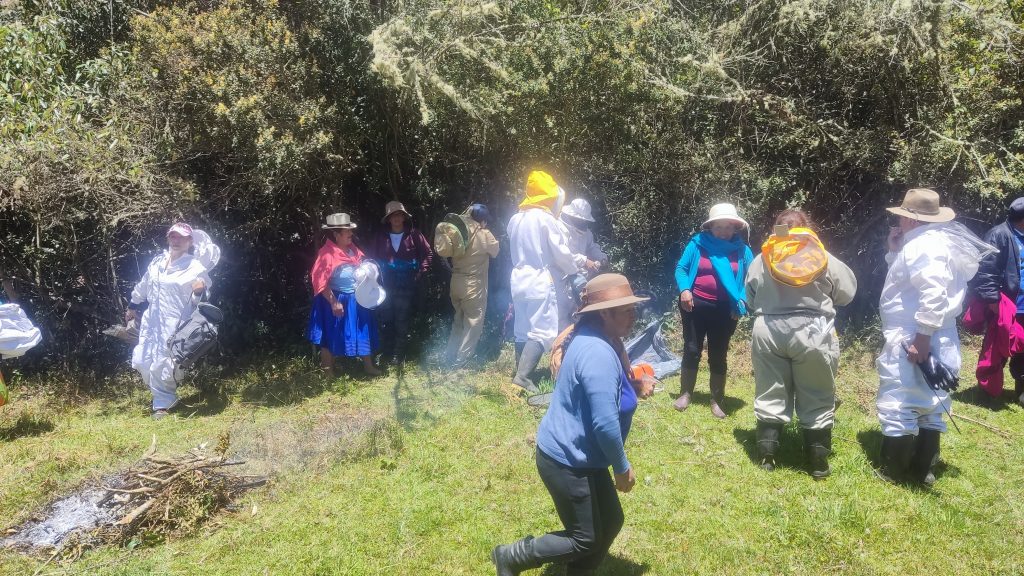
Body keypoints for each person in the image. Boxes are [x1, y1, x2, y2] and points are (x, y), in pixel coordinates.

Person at [491, 274, 652, 576]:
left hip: (582, 455)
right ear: (604, 313)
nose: (634, 315)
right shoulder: (597, 353)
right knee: (584, 538)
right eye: (626, 310)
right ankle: (512, 556)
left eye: (633, 308)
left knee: (611, 521)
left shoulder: (593, 337)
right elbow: (604, 423)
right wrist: (621, 466)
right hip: (566, 460)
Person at [876, 188, 994, 485]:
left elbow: (932, 292)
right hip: (936, 332)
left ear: (914, 221)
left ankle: (895, 470)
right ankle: (923, 468)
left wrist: (922, 338)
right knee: (932, 399)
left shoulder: (923, 247)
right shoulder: (933, 243)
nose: (899, 223)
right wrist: (893, 251)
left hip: (915, 333)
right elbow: (909, 284)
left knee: (900, 398)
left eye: (903, 218)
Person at [746, 209, 857, 478]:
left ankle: (767, 457)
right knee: (817, 393)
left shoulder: (763, 258)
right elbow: (847, 293)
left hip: (768, 328)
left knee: (770, 390)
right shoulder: (822, 257)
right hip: (813, 331)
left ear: (777, 230)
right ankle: (818, 462)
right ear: (807, 228)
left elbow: (750, 295)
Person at [673, 203, 754, 418]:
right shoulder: (697, 244)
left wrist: (743, 301)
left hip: (725, 311)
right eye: (719, 227)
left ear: (735, 228)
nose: (724, 232)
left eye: (728, 227)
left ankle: (717, 400)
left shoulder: (742, 250)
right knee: (691, 349)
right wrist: (684, 290)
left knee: (718, 354)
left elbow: (752, 278)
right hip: (694, 306)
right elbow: (681, 268)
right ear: (710, 228)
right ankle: (686, 393)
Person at [126, 223, 214, 419]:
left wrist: (199, 290)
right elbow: (144, 284)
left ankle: (163, 403)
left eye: (181, 238)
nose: (176, 241)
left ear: (190, 241)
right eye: (173, 237)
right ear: (168, 238)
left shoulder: (195, 266)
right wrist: (133, 305)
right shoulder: (157, 262)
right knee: (142, 360)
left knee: (165, 363)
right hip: (152, 321)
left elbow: (203, 297)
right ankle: (162, 395)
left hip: (175, 323)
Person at [507, 171, 579, 393]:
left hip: (518, 278)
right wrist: (574, 270)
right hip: (539, 278)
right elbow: (561, 253)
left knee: (522, 329)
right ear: (547, 196)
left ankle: (519, 373)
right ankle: (523, 377)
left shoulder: (515, 218)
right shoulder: (545, 219)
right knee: (542, 331)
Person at [308, 213, 381, 377]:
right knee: (330, 334)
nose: (351, 234)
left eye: (350, 231)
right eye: (347, 231)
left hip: (356, 298)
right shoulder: (326, 254)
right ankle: (328, 372)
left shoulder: (352, 249)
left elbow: (363, 265)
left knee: (362, 330)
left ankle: (368, 366)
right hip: (335, 300)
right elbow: (319, 281)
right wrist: (334, 302)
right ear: (336, 235)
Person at [970, 197, 1024, 404]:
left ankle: (1021, 391)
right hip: (1006, 305)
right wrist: (993, 302)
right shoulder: (998, 235)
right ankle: (987, 391)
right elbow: (985, 272)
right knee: (997, 349)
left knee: (1023, 351)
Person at [371, 200, 432, 368]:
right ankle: (386, 352)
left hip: (406, 285)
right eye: (393, 216)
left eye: (399, 215)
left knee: (402, 319)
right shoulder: (380, 237)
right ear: (388, 219)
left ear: (404, 217)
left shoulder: (414, 234)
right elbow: (372, 259)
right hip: (385, 286)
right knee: (386, 319)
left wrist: (421, 271)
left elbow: (428, 253)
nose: (396, 218)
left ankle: (399, 355)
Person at [438, 204, 500, 366]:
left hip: (456, 282)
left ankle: (449, 356)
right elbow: (495, 251)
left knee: (458, 320)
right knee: (474, 323)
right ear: (483, 220)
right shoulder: (484, 234)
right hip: (473, 285)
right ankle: (462, 361)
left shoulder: (458, 233)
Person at [557, 198, 609, 330]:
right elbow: (562, 254)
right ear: (572, 216)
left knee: (581, 312)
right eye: (580, 220)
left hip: (580, 279)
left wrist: (601, 258)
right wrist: (585, 261)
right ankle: (562, 346)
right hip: (561, 279)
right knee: (561, 318)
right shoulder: (559, 229)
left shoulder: (587, 233)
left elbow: (592, 247)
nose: (583, 223)